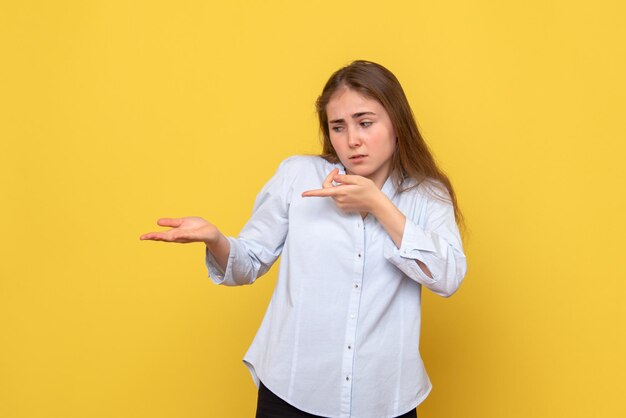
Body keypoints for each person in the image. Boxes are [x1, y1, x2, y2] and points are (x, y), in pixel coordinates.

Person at [140, 60, 467, 418]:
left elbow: (447, 277)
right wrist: (216, 239)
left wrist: (378, 204)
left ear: (397, 124)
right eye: (338, 127)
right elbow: (247, 263)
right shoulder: (298, 176)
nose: (352, 140)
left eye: (365, 122)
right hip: (293, 392)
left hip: (385, 399)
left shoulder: (427, 195)